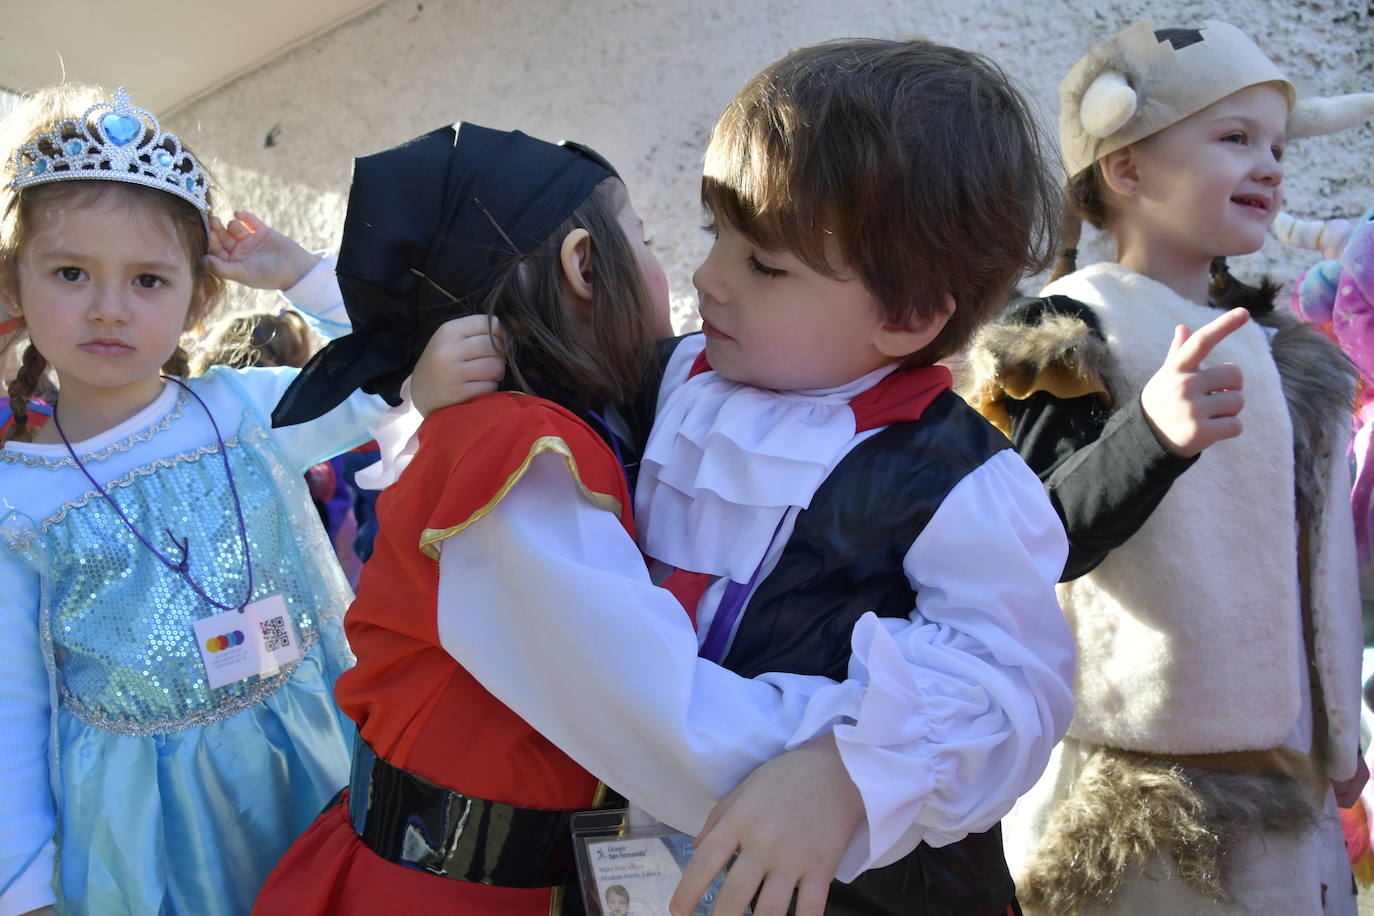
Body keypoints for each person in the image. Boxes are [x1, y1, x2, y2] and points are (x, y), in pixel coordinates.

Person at [313, 38, 1074, 916]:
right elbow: (513, 427)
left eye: (765, 265)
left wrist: (851, 774)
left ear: (907, 316)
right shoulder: (671, 380)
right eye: (720, 235)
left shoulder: (965, 482)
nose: (709, 278)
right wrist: (433, 388)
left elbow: (1013, 684)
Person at [0, 85, 455, 916]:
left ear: (200, 294)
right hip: (151, 832)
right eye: (71, 273)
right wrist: (24, 891)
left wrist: (301, 274)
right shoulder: (16, 503)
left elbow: (397, 366)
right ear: (13, 286)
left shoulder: (249, 410)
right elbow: (10, 712)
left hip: (315, 761)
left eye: (147, 279)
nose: (109, 307)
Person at [959, 20, 1374, 914]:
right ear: (1127, 168)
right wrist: (1152, 438)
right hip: (1134, 815)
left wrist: (1342, 738)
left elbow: (1318, 566)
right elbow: (1022, 541)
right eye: (1234, 139)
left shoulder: (1290, 355)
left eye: (1274, 144)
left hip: (1290, 803)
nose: (1269, 165)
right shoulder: (1067, 329)